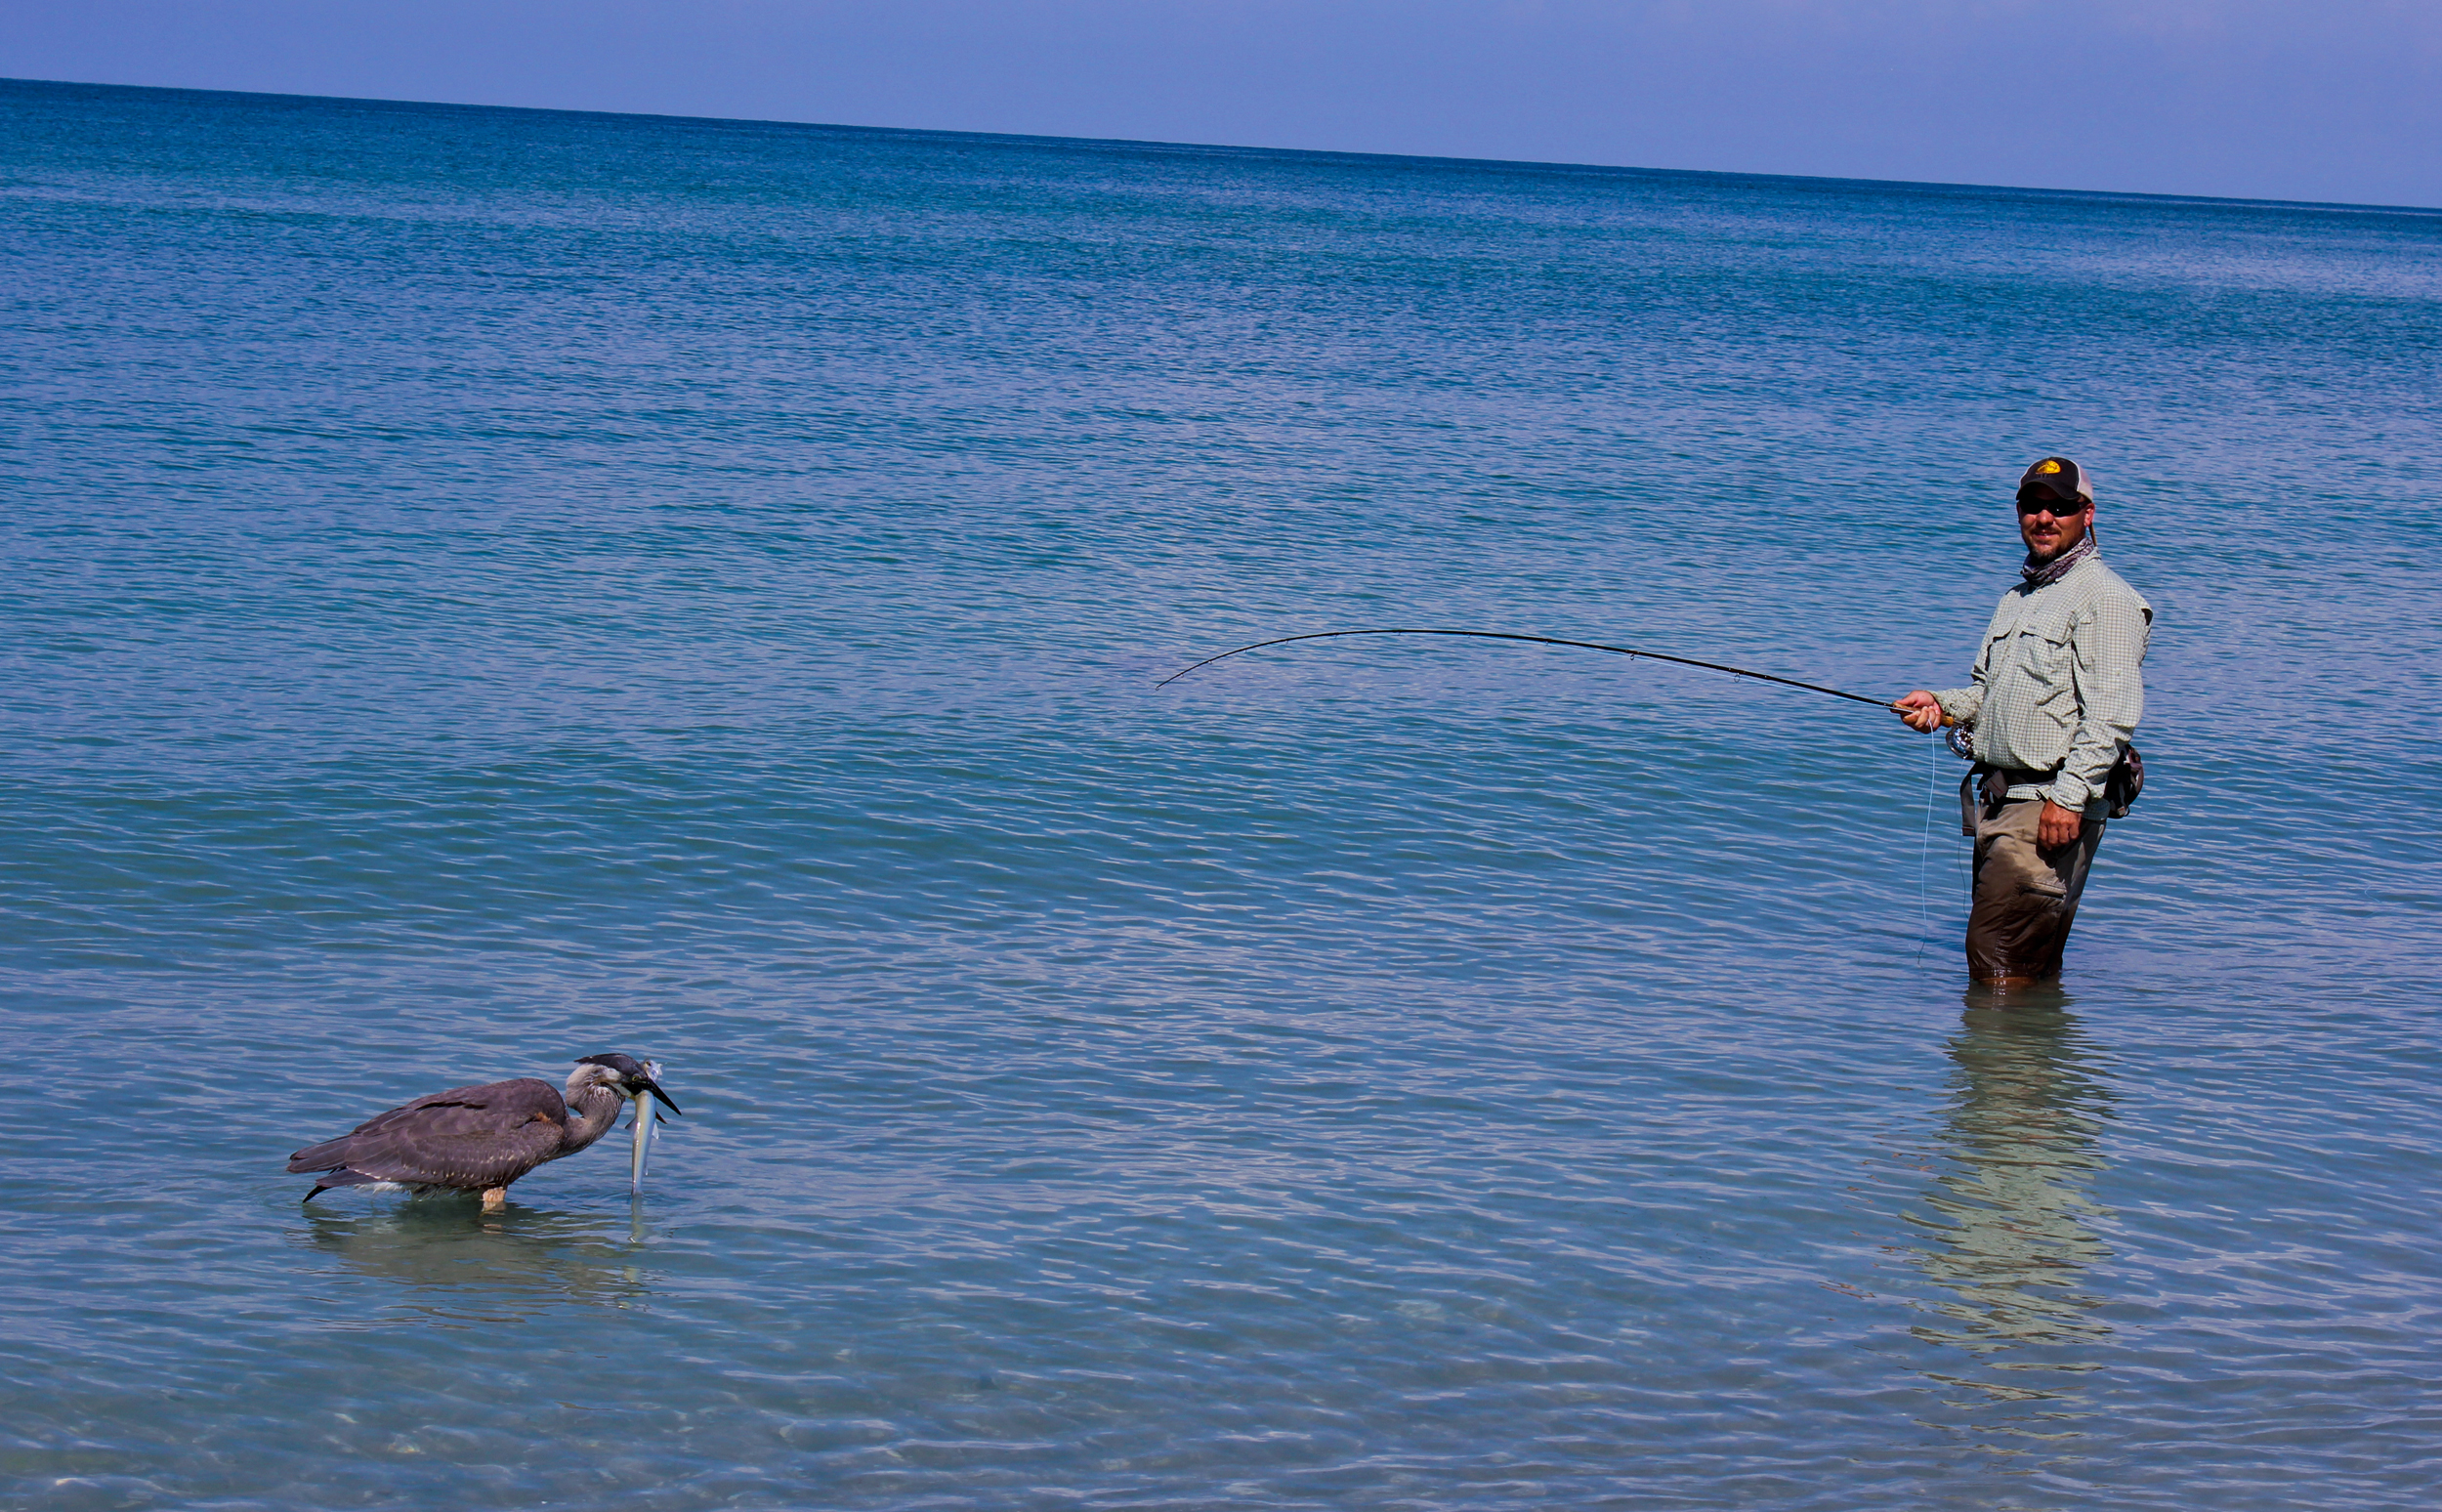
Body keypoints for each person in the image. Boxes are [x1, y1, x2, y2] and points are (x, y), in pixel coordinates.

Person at [1892, 457, 2152, 989]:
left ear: (2088, 514)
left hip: (2048, 809)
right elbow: (1988, 693)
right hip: (2000, 804)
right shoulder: (2019, 600)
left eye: (2060, 507)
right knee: (2020, 967)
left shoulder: (2106, 599)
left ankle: (2003, 1070)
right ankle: (2030, 1065)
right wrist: (1941, 705)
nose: (2044, 517)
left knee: (1998, 965)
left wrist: (2069, 798)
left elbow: (2113, 713)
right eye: (2033, 506)